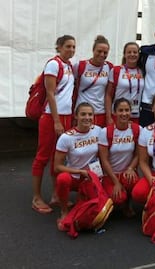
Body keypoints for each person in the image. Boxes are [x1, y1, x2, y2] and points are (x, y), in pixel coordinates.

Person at [31, 35, 76, 214]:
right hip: (51, 117)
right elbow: (50, 94)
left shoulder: (69, 66)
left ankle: (56, 195)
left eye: (73, 47)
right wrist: (57, 120)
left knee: (58, 157)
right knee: (42, 156)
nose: (71, 50)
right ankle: (36, 197)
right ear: (58, 47)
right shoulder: (53, 64)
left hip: (66, 116)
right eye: (67, 46)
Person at [54, 102, 102, 225]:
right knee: (62, 179)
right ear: (76, 116)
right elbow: (57, 167)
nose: (87, 117)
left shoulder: (98, 130)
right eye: (83, 114)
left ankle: (83, 199)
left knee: (94, 210)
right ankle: (64, 210)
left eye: (90, 114)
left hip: (92, 176)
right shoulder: (66, 138)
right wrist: (79, 172)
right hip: (75, 176)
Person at [98, 98, 140, 217]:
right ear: (114, 112)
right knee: (118, 198)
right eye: (120, 110)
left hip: (127, 173)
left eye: (127, 110)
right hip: (110, 175)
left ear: (131, 112)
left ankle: (128, 204)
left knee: (133, 181)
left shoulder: (136, 130)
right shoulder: (106, 132)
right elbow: (104, 160)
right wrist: (116, 182)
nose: (124, 113)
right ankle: (109, 201)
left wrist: (131, 168)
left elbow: (138, 155)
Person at [74, 35, 113, 127]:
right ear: (93, 50)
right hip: (82, 113)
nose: (102, 54)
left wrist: (108, 116)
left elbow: (109, 93)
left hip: (100, 112)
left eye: (105, 52)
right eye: (99, 51)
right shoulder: (80, 66)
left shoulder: (110, 67)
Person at [105, 42, 143, 126]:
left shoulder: (142, 71)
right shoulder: (116, 70)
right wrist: (108, 117)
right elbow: (108, 95)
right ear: (124, 54)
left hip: (136, 115)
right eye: (129, 52)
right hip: (118, 115)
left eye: (135, 52)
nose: (132, 54)